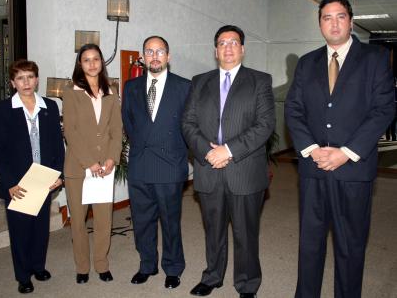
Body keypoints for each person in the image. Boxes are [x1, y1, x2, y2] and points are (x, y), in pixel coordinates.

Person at [284, 0, 395, 298]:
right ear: (319, 23)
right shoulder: (307, 63)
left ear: (351, 20)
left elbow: (383, 110)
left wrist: (346, 153)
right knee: (310, 244)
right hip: (313, 168)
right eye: (326, 17)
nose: (333, 23)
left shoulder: (375, 59)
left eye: (340, 16)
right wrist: (311, 149)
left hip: (354, 171)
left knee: (350, 246)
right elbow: (293, 110)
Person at [182, 25, 275, 298]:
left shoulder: (260, 80)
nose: (228, 48)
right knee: (213, 230)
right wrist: (208, 153)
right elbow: (187, 123)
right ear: (215, 50)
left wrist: (228, 151)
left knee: (246, 233)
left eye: (234, 42)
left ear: (243, 49)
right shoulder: (199, 82)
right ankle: (212, 276)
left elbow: (265, 124)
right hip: (208, 168)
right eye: (222, 43)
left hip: (244, 169)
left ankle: (247, 284)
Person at [0, 60, 64, 294]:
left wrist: (59, 175)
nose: (26, 82)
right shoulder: (3, 109)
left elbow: (57, 145)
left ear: (37, 80)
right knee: (21, 231)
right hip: (18, 184)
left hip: (44, 179)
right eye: (20, 78)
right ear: (13, 83)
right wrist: (10, 182)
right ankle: (23, 276)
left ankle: (38, 267)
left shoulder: (50, 106)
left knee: (41, 228)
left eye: (30, 77)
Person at [122, 36, 190, 289]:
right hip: (140, 165)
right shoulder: (131, 87)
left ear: (168, 56)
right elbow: (129, 122)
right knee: (142, 221)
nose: (154, 56)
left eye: (160, 51)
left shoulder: (184, 86)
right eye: (149, 51)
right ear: (143, 56)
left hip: (170, 165)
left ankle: (173, 268)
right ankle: (147, 265)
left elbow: (189, 126)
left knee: (171, 221)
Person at [62, 44, 122, 284]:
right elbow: (71, 132)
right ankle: (83, 266)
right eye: (86, 59)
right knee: (78, 221)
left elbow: (116, 130)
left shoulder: (111, 90)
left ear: (101, 62)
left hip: (105, 167)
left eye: (96, 59)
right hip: (78, 168)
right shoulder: (71, 91)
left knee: (103, 220)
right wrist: (90, 163)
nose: (92, 63)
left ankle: (101, 264)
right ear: (80, 64)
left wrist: (110, 158)